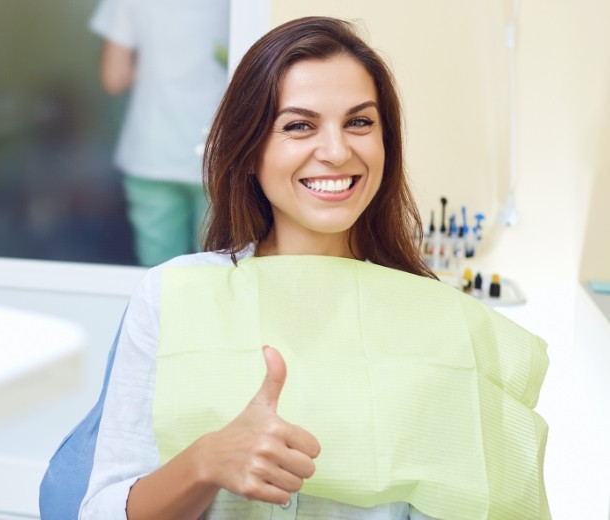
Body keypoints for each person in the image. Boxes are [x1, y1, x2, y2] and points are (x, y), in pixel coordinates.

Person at [40, 16, 550, 520]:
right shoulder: (172, 295)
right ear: (250, 150)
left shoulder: (443, 324)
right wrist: (206, 462)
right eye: (299, 125)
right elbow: (100, 511)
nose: (336, 151)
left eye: (360, 122)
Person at [89, 0, 229, 266]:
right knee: (214, 271)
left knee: (158, 275)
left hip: (151, 150)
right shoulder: (237, 6)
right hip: (219, 151)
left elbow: (113, 78)